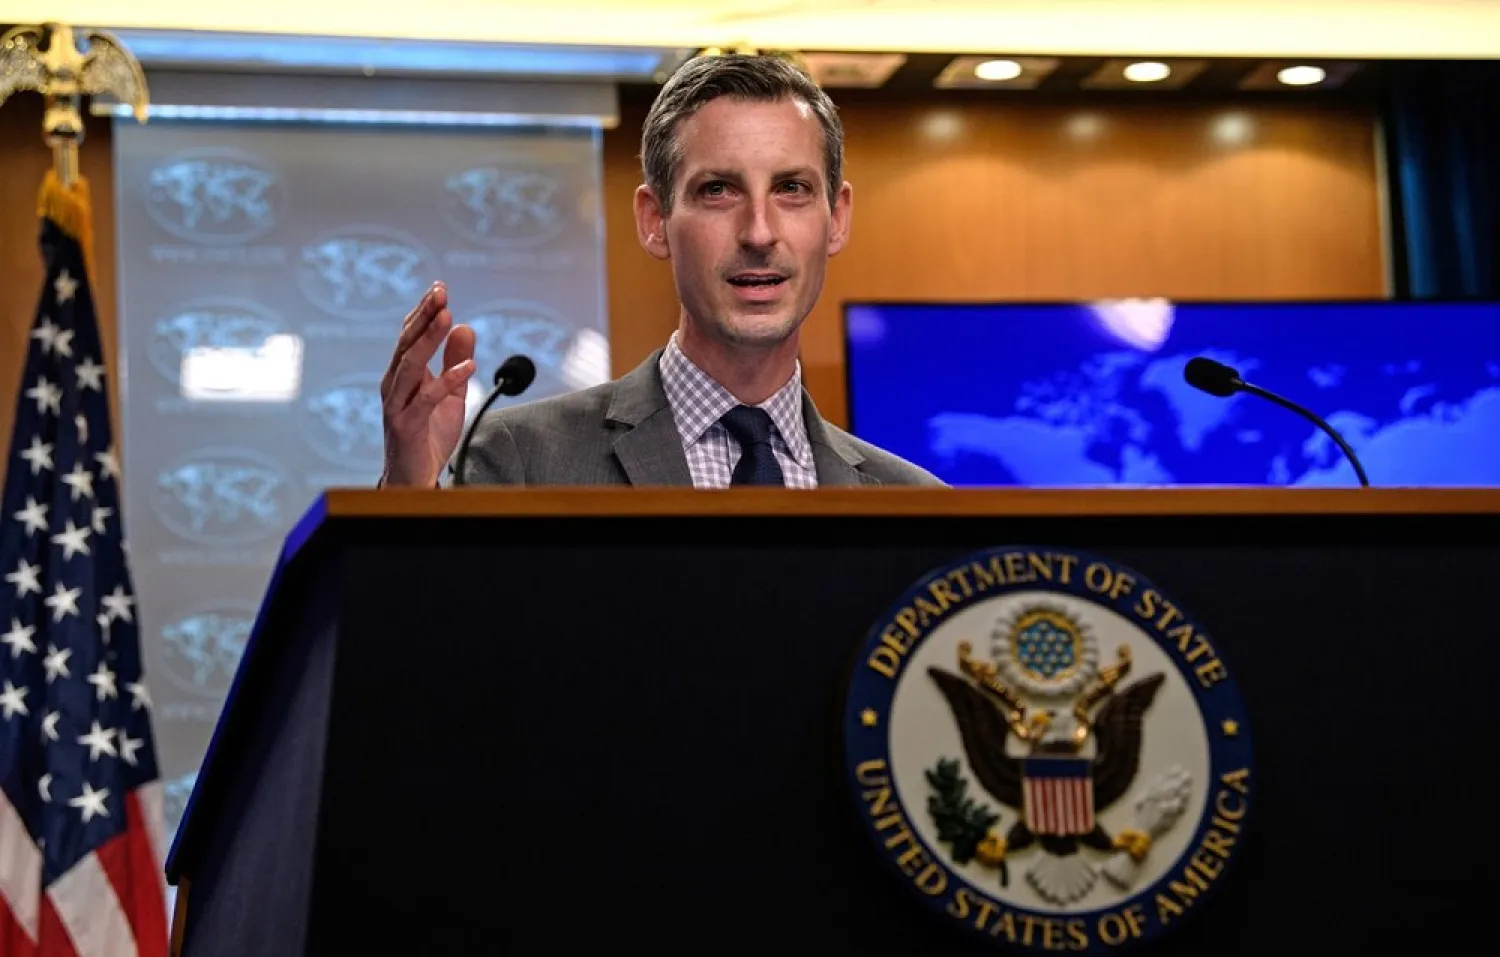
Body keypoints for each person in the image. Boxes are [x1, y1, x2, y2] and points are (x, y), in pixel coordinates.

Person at [377, 52, 943, 489]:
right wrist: (409, 497)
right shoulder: (521, 457)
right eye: (718, 190)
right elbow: (432, 639)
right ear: (655, 221)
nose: (760, 233)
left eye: (791, 189)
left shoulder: (917, 504)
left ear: (836, 219)